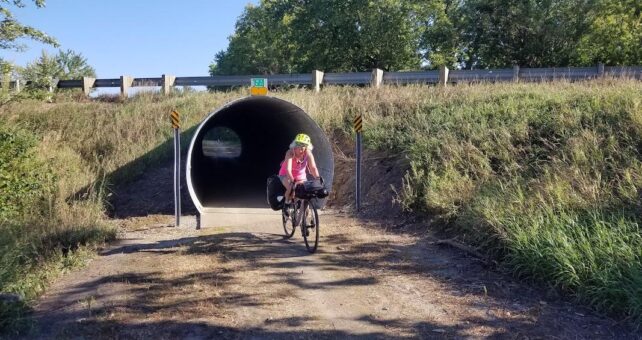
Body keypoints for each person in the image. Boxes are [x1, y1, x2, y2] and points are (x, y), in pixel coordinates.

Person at [278, 133, 320, 206]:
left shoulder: (308, 153)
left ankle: (304, 210)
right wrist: (292, 181)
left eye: (304, 146)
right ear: (295, 145)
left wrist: (318, 178)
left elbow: (313, 167)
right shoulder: (290, 153)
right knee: (291, 188)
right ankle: (286, 205)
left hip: (301, 177)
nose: (302, 149)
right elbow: (288, 169)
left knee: (307, 192)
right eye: (299, 145)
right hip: (285, 175)